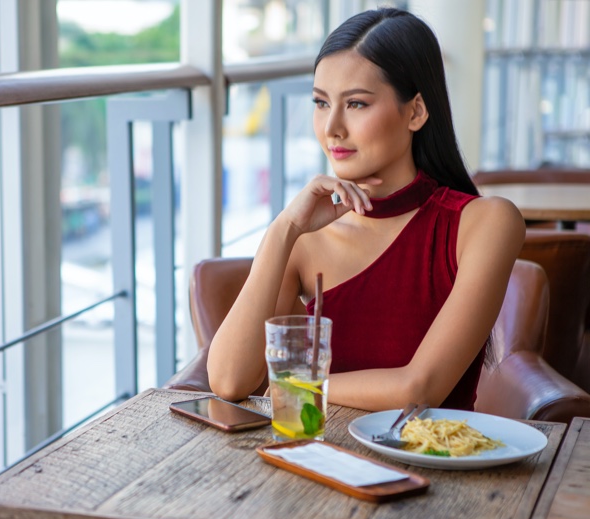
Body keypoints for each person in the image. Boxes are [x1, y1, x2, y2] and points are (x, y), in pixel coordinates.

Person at [207, 7, 525, 412]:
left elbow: (418, 390)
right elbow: (229, 380)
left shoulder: (484, 222)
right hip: (311, 465)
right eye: (321, 103)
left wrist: (295, 388)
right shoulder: (306, 238)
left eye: (356, 104)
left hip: (432, 470)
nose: (332, 127)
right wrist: (284, 228)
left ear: (416, 112)